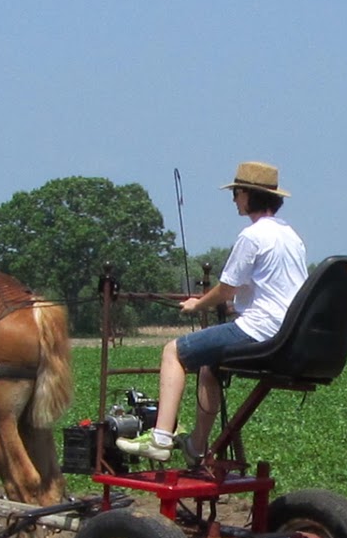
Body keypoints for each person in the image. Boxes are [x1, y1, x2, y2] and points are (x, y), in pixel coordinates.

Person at [118, 160, 308, 462]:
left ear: (249, 194)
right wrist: (235, 306)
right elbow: (274, 289)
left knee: (173, 352)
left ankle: (160, 438)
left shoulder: (253, 236)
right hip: (287, 332)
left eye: (236, 193)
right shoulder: (291, 236)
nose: (234, 199)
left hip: (259, 330)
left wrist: (198, 304)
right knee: (208, 368)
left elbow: (225, 288)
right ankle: (197, 445)